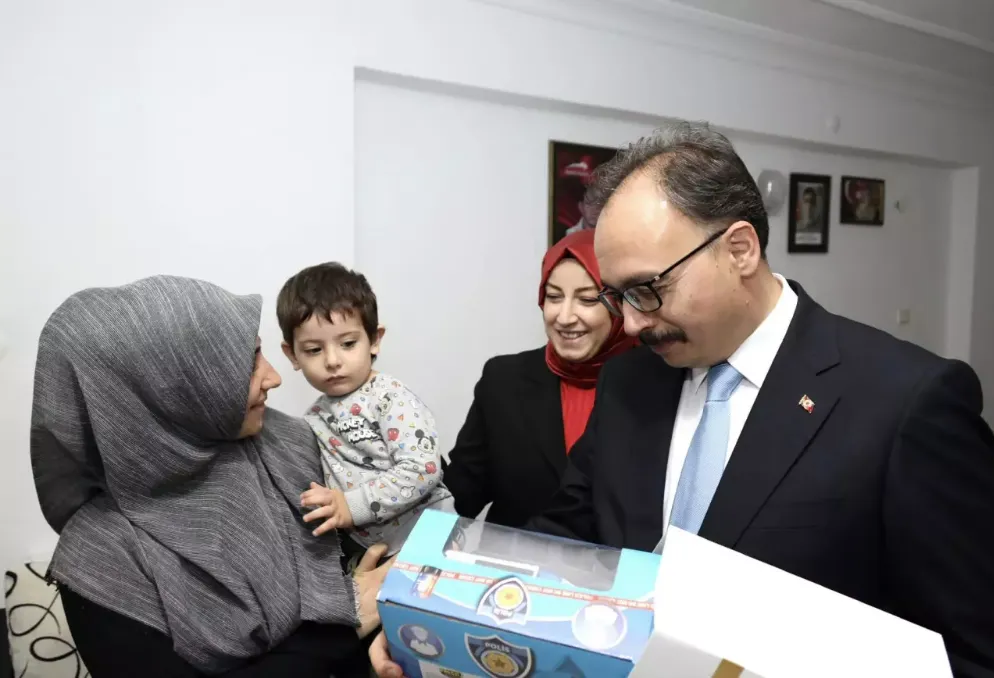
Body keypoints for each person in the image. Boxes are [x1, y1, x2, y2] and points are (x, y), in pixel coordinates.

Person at [525, 121, 994, 678]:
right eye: (617, 295)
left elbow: (970, 653)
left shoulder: (906, 402)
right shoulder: (629, 382)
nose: (629, 323)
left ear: (740, 250)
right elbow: (570, 536)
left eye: (647, 290)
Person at [31, 275, 392, 677]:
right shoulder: (101, 559)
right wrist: (345, 625)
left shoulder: (291, 443)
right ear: (172, 389)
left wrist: (389, 633)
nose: (273, 377)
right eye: (249, 361)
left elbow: (383, 559)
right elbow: (357, 603)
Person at [443, 229, 635, 527]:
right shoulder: (503, 381)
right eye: (554, 297)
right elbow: (459, 494)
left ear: (619, 305)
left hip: (617, 559)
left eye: (587, 299)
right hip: (516, 556)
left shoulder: (656, 383)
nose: (565, 317)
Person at [278, 262, 453, 560]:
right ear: (292, 355)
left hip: (432, 536)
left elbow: (423, 468)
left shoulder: (389, 397)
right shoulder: (313, 418)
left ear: (374, 340)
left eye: (348, 344)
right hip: (370, 549)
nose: (332, 361)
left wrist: (351, 506)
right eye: (313, 350)